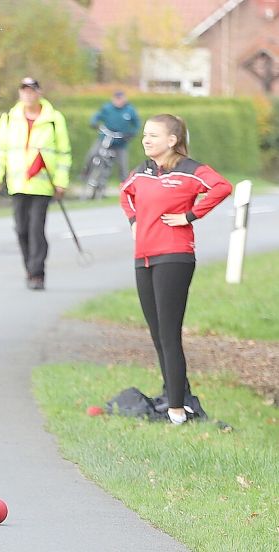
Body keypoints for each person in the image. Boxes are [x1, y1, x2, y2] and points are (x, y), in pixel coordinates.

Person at [120, 114, 232, 424]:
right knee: (157, 334)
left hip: (174, 257)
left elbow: (222, 187)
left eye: (153, 135)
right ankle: (177, 394)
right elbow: (125, 193)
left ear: (172, 140)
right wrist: (133, 221)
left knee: (169, 334)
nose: (146, 140)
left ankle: (177, 411)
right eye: (145, 135)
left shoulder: (190, 170)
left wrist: (191, 216)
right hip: (143, 258)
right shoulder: (142, 171)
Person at [0, 77, 71, 291]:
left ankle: (37, 273)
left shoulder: (54, 119)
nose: (28, 94)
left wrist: (61, 182)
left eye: (32, 90)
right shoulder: (8, 118)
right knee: (21, 228)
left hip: (43, 184)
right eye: (24, 90)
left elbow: (63, 153)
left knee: (36, 229)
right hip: (17, 183)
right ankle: (29, 268)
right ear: (20, 93)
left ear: (39, 92)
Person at [83, 90, 140, 184]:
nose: (118, 101)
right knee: (93, 154)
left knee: (122, 165)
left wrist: (131, 133)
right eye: (116, 99)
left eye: (120, 99)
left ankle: (125, 185)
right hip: (106, 138)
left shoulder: (130, 110)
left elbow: (136, 124)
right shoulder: (107, 108)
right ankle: (85, 174)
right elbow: (97, 116)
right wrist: (94, 123)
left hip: (120, 142)